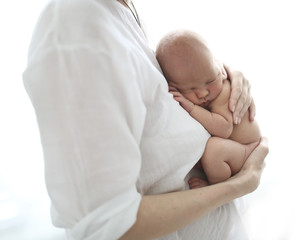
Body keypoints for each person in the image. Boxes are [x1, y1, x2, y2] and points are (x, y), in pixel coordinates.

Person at [23, 0, 268, 239]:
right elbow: (106, 225)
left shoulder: (122, 11)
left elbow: (157, 103)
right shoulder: (76, 27)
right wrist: (240, 184)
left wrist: (222, 79)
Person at [156, 29, 261, 188]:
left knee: (214, 150)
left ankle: (215, 185)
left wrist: (192, 107)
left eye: (210, 80)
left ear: (222, 71)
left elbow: (224, 128)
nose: (203, 93)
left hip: (247, 150)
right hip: (234, 150)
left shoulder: (224, 93)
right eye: (190, 89)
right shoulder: (207, 79)